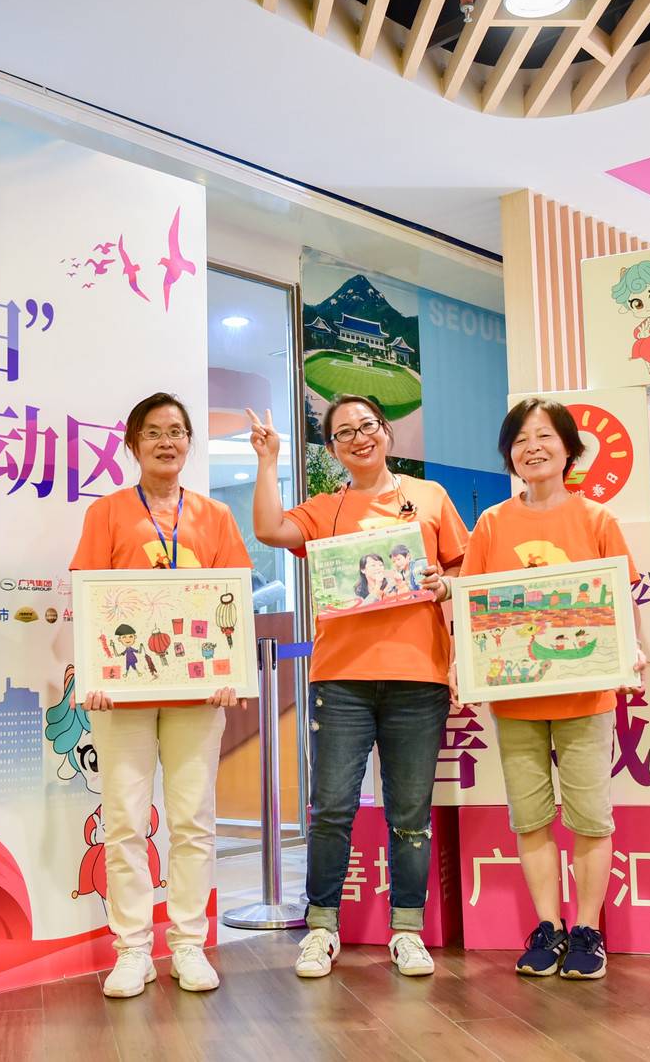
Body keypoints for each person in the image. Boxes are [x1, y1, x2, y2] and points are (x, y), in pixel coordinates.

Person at [246, 395, 468, 979]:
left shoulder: (430, 497)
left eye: (367, 425)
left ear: (386, 432)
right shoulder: (325, 509)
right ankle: (321, 928)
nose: (359, 438)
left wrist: (443, 584)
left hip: (418, 676)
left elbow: (462, 568)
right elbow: (268, 528)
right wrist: (268, 460)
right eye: (344, 432)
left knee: (410, 813)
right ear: (332, 448)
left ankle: (407, 931)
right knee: (332, 809)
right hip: (340, 678)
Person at [455, 397, 645, 982]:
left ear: (568, 450)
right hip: (516, 698)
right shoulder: (492, 524)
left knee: (590, 817)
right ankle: (548, 927)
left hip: (585, 695)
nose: (532, 448)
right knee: (530, 816)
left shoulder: (597, 520)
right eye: (520, 440)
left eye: (544, 437)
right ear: (508, 454)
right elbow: (473, 607)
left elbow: (619, 600)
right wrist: (465, 665)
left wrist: (632, 647)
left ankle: (587, 929)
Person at [70, 392, 252, 999]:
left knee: (193, 821)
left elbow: (232, 598)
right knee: (124, 822)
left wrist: (229, 669)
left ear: (189, 442)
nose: (166, 441)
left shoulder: (215, 517)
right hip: (121, 694)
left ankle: (188, 945)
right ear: (133, 444)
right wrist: (93, 676)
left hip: (197, 693)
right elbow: (89, 599)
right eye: (153, 432)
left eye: (176, 431)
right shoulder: (107, 513)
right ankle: (132, 951)